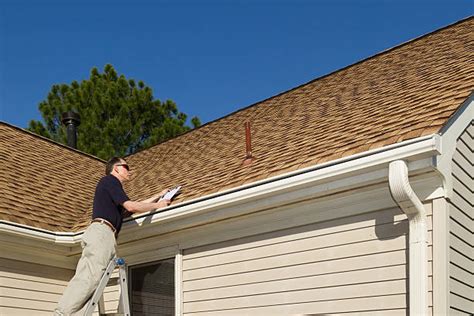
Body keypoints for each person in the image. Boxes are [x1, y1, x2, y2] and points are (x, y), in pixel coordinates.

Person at [54, 157, 171, 315]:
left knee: (94, 280)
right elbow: (131, 206)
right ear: (115, 168)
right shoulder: (110, 181)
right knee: (89, 277)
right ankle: (61, 314)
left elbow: (131, 207)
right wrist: (159, 205)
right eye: (126, 167)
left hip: (103, 234)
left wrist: (159, 195)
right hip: (102, 233)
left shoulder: (112, 193)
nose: (129, 171)